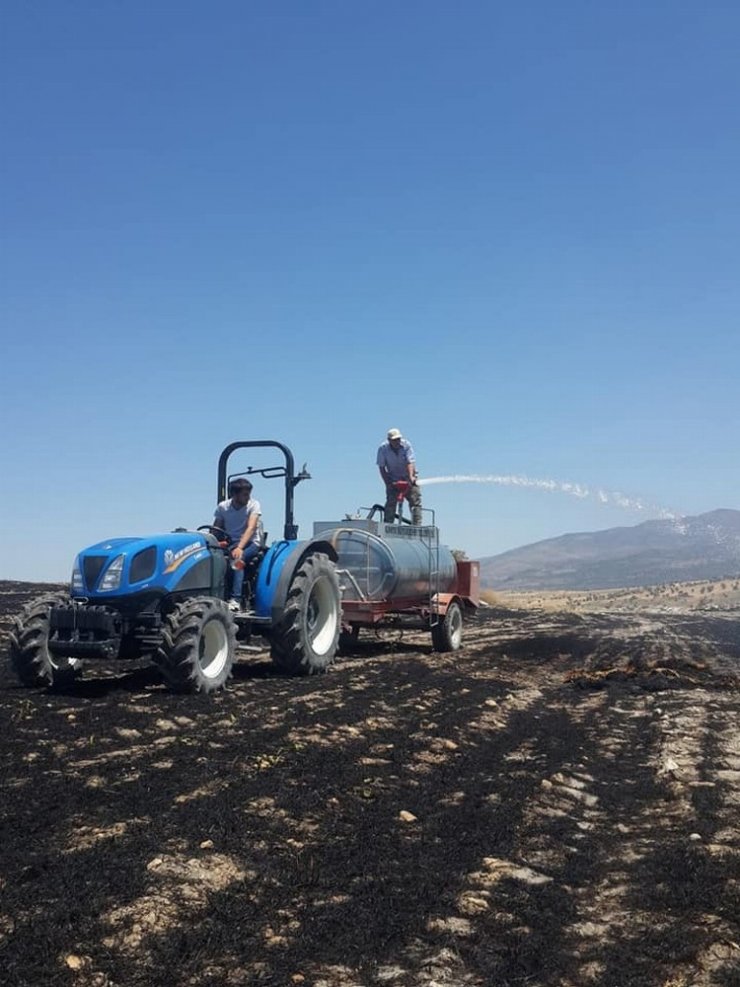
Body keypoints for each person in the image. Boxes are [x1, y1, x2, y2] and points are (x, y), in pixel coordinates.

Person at [213, 478, 263, 611]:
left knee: (237, 560)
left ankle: (236, 600)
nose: (248, 497)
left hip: (250, 543)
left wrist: (240, 548)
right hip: (230, 543)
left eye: (248, 494)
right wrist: (212, 542)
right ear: (234, 495)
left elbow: (251, 528)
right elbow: (216, 528)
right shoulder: (223, 507)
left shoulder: (253, 505)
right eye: (245, 494)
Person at [376, 427, 422, 525]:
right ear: (389, 440)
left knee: (415, 500)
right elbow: (382, 468)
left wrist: (411, 477)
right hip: (393, 480)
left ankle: (417, 526)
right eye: (394, 440)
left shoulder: (406, 445)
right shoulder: (383, 449)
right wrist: (388, 483)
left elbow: (410, 462)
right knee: (390, 503)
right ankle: (388, 525)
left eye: (398, 439)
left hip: (408, 479)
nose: (397, 441)